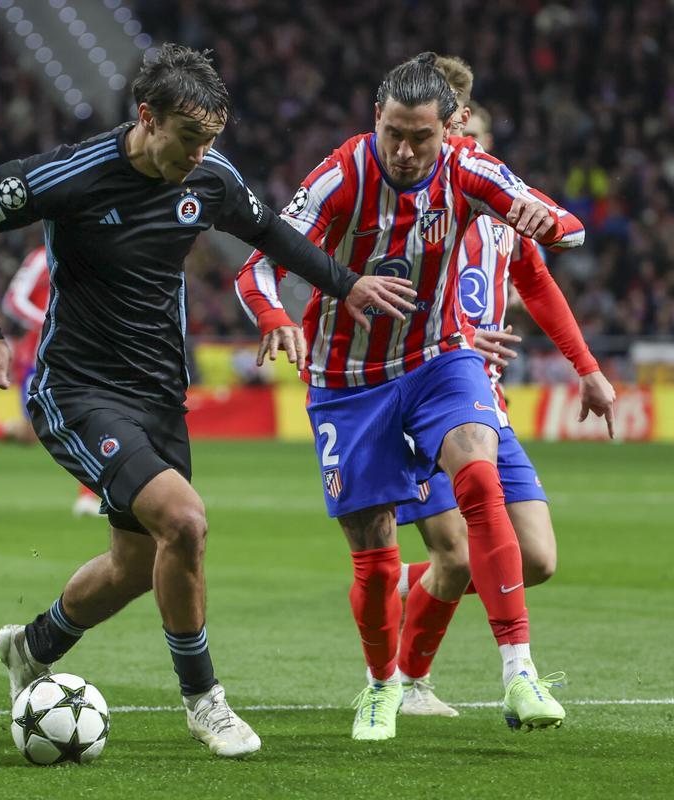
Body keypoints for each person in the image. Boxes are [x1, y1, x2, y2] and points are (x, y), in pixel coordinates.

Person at [0, 43, 415, 758]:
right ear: (146, 119)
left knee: (135, 565)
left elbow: (272, 234)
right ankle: (206, 701)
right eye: (189, 138)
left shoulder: (212, 178)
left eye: (211, 141)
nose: (200, 155)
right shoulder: (74, 174)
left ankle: (31, 648)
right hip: (78, 389)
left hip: (160, 393)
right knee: (186, 524)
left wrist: (346, 285)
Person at [236, 53, 590, 741]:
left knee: (479, 476)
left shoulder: (470, 168)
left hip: (437, 359)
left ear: (450, 128)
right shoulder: (341, 175)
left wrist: (542, 221)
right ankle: (382, 685)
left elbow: (567, 227)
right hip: (347, 382)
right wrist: (278, 318)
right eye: (393, 132)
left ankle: (519, 671)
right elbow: (258, 266)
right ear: (377, 118)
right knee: (373, 555)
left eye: (420, 137)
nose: (403, 151)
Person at [388, 57, 617, 719]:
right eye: (467, 139)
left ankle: (391, 584)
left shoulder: (496, 206)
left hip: (487, 400)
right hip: (420, 389)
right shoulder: (415, 199)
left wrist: (588, 368)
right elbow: (387, 283)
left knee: (537, 558)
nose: (476, 153)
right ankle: (412, 682)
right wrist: (452, 333)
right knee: (457, 554)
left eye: (483, 142)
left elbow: (539, 285)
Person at [0, 245, 103, 517]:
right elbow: (13, 300)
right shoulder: (42, 257)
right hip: (39, 355)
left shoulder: (95, 250)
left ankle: (89, 496)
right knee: (34, 434)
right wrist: (49, 321)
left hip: (80, 351)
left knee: (89, 414)